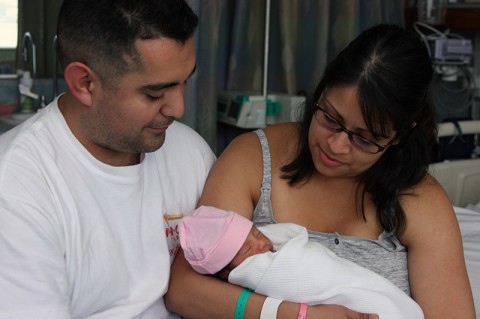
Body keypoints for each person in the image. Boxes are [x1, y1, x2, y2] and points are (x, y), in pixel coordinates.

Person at [165, 24, 476, 318]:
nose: (336, 145)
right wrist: (298, 316)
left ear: (398, 136)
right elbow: (184, 290)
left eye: (364, 138)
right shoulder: (253, 159)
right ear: (321, 90)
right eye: (330, 118)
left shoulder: (419, 199)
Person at [0, 0, 215, 318]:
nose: (178, 109)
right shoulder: (17, 186)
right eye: (155, 93)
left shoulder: (191, 153)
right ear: (84, 84)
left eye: (185, 82)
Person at [179, 206, 424, 319]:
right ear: (226, 272)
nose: (262, 244)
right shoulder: (262, 272)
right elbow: (303, 277)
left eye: (256, 233)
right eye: (247, 249)